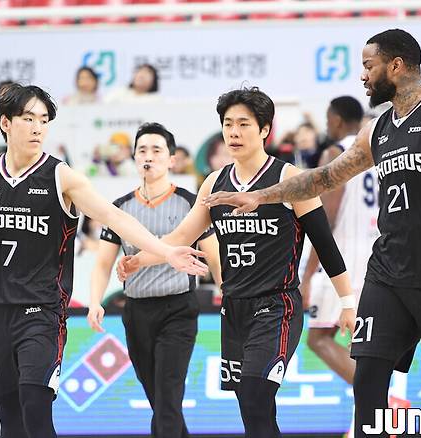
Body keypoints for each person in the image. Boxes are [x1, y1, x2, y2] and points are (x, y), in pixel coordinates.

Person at [204, 29, 421, 438]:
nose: (363, 76)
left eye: (368, 66)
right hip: (388, 274)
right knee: (367, 382)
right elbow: (325, 177)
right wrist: (261, 195)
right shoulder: (376, 129)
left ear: (395, 66)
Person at [0, 84, 206, 438]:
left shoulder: (61, 176)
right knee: (10, 422)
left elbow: (114, 217)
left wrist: (166, 252)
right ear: (5, 123)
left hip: (42, 312)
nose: (38, 128)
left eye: (44, 120)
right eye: (29, 119)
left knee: (35, 408)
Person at [118, 87, 355, 437]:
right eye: (228, 124)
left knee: (257, 394)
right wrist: (140, 260)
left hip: (277, 306)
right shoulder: (215, 182)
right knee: (252, 409)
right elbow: (180, 236)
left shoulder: (289, 179)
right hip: (234, 308)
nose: (234, 132)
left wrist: (347, 302)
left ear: (264, 129)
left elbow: (326, 244)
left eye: (243, 124)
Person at [87, 122, 222, 438]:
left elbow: (214, 256)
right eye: (142, 150)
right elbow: (103, 263)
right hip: (136, 312)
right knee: (160, 401)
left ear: (172, 159)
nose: (149, 156)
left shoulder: (191, 203)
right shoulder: (120, 209)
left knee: (167, 397)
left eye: (157, 150)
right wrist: (94, 302)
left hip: (178, 309)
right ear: (134, 158)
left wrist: (225, 292)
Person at [300, 95, 368, 386]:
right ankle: (373, 407)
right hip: (377, 260)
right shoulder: (376, 151)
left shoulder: (335, 153)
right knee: (364, 347)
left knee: (318, 338)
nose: (327, 126)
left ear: (337, 120)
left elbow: (325, 220)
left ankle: (381, 399)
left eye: (328, 120)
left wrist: (306, 276)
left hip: (342, 263)